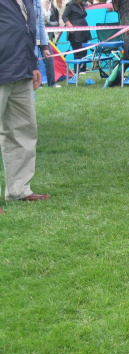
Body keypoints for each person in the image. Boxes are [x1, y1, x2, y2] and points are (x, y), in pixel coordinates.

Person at [0, 0, 51, 214]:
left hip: (21, 72)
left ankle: (19, 189)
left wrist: (33, 65)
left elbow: (28, 31)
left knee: (23, 131)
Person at [35, 0, 60, 88]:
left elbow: (42, 21)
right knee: (35, 61)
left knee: (49, 60)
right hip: (33, 37)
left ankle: (52, 83)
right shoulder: (41, 2)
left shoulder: (48, 3)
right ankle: (39, 83)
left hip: (44, 37)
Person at [62, 0, 92, 72]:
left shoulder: (82, 4)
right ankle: (78, 69)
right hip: (75, 32)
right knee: (78, 52)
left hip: (84, 31)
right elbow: (64, 16)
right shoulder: (70, 5)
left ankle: (83, 69)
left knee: (84, 51)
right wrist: (70, 25)